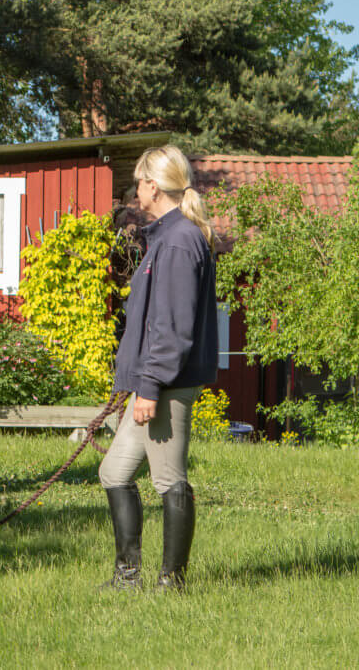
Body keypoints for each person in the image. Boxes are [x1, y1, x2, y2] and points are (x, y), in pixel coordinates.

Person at [98, 144, 218, 592]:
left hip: (166, 385)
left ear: (153, 184)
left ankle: (173, 583)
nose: (134, 189)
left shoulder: (180, 240)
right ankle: (128, 577)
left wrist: (148, 386)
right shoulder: (166, 237)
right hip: (153, 384)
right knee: (114, 473)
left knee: (169, 480)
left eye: (137, 181)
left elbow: (172, 329)